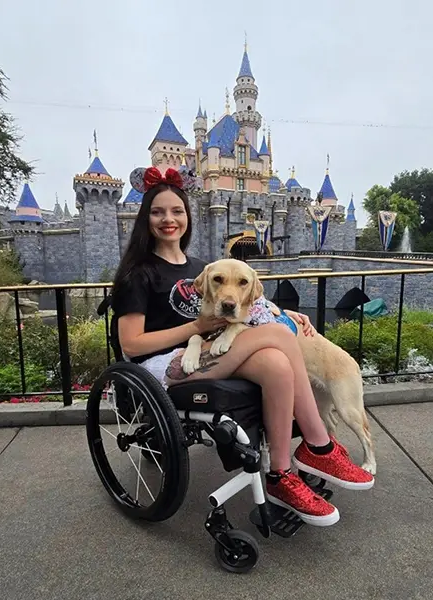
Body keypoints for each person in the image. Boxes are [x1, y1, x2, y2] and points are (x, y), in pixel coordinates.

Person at [111, 165, 374, 528]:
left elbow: (244, 301)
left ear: (188, 216)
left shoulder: (203, 267)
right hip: (162, 368)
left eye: (176, 211)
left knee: (278, 363)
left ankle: (280, 474)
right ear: (145, 218)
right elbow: (130, 344)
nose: (168, 219)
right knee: (280, 337)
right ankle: (318, 446)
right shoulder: (137, 274)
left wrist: (287, 312)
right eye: (157, 211)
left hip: (208, 350)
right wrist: (197, 326)